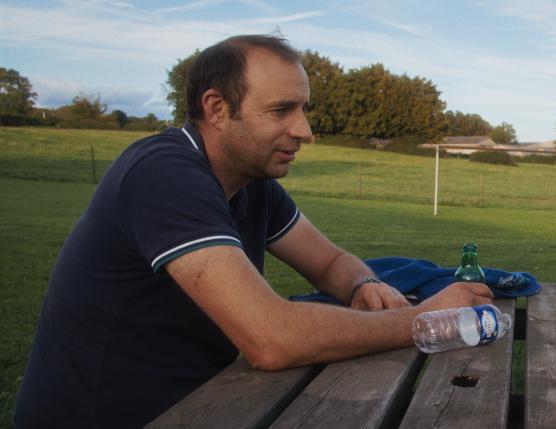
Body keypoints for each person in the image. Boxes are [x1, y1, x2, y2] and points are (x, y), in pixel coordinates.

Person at [14, 34, 493, 428]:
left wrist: (363, 284)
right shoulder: (164, 173)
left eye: (303, 109)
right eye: (282, 110)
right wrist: (426, 319)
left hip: (209, 401)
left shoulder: (252, 183)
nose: (305, 130)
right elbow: (271, 339)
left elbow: (328, 262)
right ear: (217, 108)